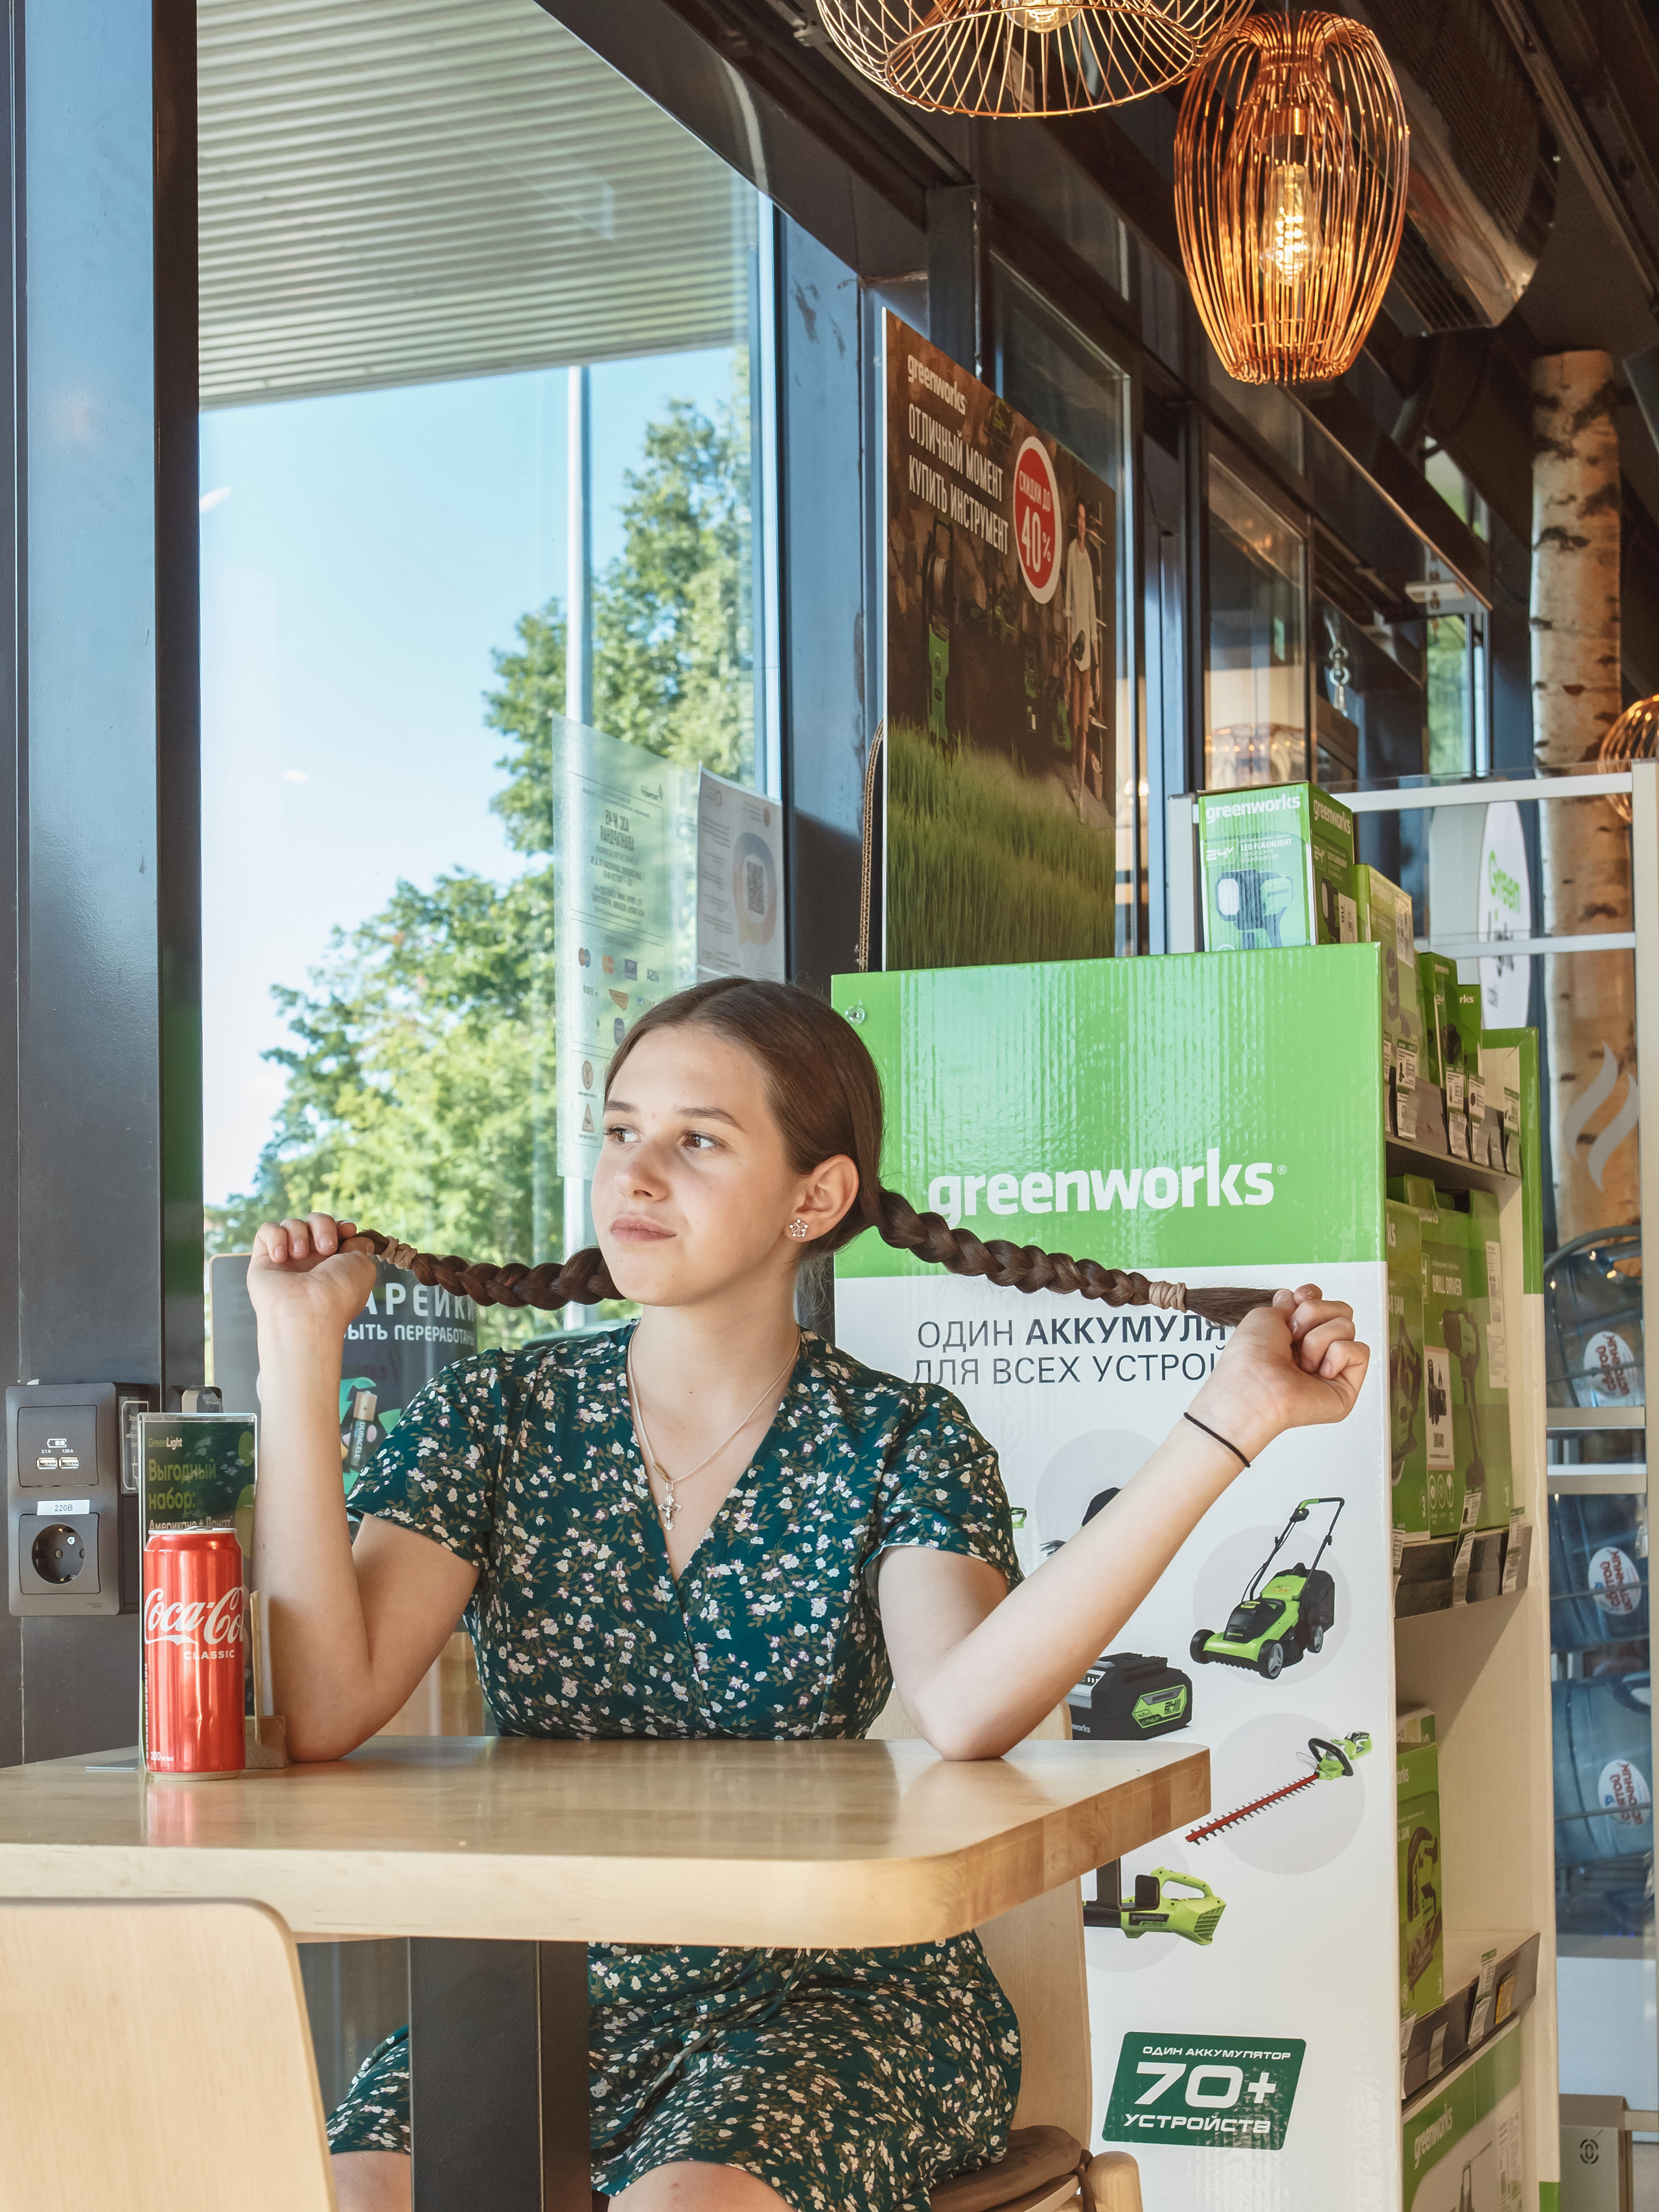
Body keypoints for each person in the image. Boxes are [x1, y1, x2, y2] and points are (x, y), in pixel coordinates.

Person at [249, 978, 1367, 2212]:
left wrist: (1230, 1422)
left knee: (689, 2206)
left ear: (816, 1196)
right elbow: (322, 1706)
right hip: (531, 1983)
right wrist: (298, 1358)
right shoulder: (495, 1418)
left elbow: (967, 1707)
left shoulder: (899, 1436)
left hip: (837, 1992)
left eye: (697, 1139)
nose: (635, 1172)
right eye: (620, 1130)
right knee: (351, 2194)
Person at [1062, 499, 1097, 806]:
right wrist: (1067, 643)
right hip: (1075, 651)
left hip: (1088, 657)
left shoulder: (1089, 560)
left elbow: (1092, 609)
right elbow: (1069, 602)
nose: (1082, 523)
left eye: (1085, 518)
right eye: (1079, 518)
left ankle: (1082, 787)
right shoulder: (1073, 554)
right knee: (1074, 721)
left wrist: (1095, 663)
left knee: (1085, 724)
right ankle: (1074, 775)